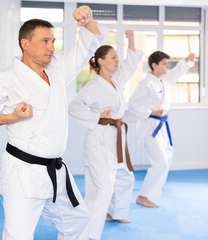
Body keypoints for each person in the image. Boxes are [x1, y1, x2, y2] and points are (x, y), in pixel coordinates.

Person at [0, 6, 108, 240]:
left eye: (53, 41)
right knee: (18, 236)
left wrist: (88, 20)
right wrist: (13, 116)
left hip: (56, 172)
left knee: (78, 221)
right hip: (23, 174)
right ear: (25, 43)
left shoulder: (58, 69)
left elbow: (87, 45)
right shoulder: (6, 80)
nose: (51, 47)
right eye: (44, 41)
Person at [68, 30, 143, 240]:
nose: (118, 61)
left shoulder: (116, 81)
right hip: (99, 141)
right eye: (113, 57)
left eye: (118, 57)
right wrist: (96, 115)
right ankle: (89, 232)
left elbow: (131, 64)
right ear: (100, 61)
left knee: (124, 177)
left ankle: (116, 213)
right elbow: (73, 108)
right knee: (102, 189)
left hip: (116, 137)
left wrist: (131, 41)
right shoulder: (92, 87)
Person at [128, 51, 195, 208]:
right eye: (164, 64)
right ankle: (143, 196)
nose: (167, 66)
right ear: (154, 65)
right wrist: (150, 111)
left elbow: (177, 72)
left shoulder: (164, 79)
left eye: (167, 64)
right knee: (161, 161)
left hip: (161, 126)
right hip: (149, 127)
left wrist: (187, 61)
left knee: (169, 153)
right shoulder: (146, 83)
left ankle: (158, 183)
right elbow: (132, 104)